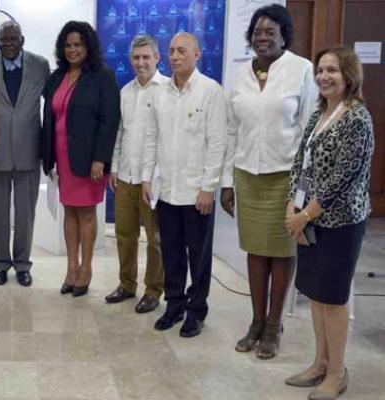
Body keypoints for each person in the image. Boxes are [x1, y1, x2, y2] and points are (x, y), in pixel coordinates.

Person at [222, 4, 317, 358]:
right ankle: (256, 321)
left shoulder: (301, 70)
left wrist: (304, 189)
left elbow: (310, 129)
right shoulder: (242, 74)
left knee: (281, 251)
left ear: (283, 36)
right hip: (248, 174)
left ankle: (274, 325)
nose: (262, 38)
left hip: (285, 176)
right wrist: (227, 182)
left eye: (270, 32)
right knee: (255, 250)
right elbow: (233, 130)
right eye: (257, 33)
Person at [284, 46, 373, 400]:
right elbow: (300, 164)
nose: (324, 76)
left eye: (332, 70)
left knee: (334, 299)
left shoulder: (357, 118)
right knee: (317, 296)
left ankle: (337, 372)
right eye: (320, 70)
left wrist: (305, 214)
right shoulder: (320, 113)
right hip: (309, 219)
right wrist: (293, 204)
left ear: (349, 75)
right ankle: (319, 363)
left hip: (340, 223)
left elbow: (344, 177)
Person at [141, 33, 226, 338]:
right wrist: (146, 177)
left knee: (198, 257)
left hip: (196, 193)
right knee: (172, 253)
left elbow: (218, 143)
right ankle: (174, 304)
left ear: (197, 55)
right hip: (167, 191)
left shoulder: (210, 92)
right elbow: (151, 138)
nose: (176, 56)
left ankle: (196, 310)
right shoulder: (160, 93)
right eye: (172, 51)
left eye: (182, 51)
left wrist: (208, 187)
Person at [42, 21, 121, 297]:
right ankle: (71, 268)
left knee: (85, 212)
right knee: (69, 212)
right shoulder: (57, 77)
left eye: (78, 44)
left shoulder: (102, 76)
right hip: (62, 157)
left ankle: (86, 269)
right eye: (68, 45)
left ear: (88, 46)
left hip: (89, 160)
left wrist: (101, 159)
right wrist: (48, 157)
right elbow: (50, 118)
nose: (72, 50)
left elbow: (109, 120)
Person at [0, 21, 50, 287]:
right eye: (3, 39)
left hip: (30, 151)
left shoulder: (41, 66)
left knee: (26, 213)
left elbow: (51, 109)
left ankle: (22, 264)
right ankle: (1, 263)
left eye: (13, 39)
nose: (8, 43)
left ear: (22, 40)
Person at [106, 34, 168, 312]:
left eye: (146, 57)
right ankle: (127, 284)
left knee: (155, 239)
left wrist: (150, 177)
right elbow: (120, 134)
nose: (141, 62)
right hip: (126, 177)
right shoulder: (125, 92)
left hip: (153, 181)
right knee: (124, 234)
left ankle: (154, 290)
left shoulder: (167, 90)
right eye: (136, 57)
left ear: (157, 58)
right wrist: (115, 168)